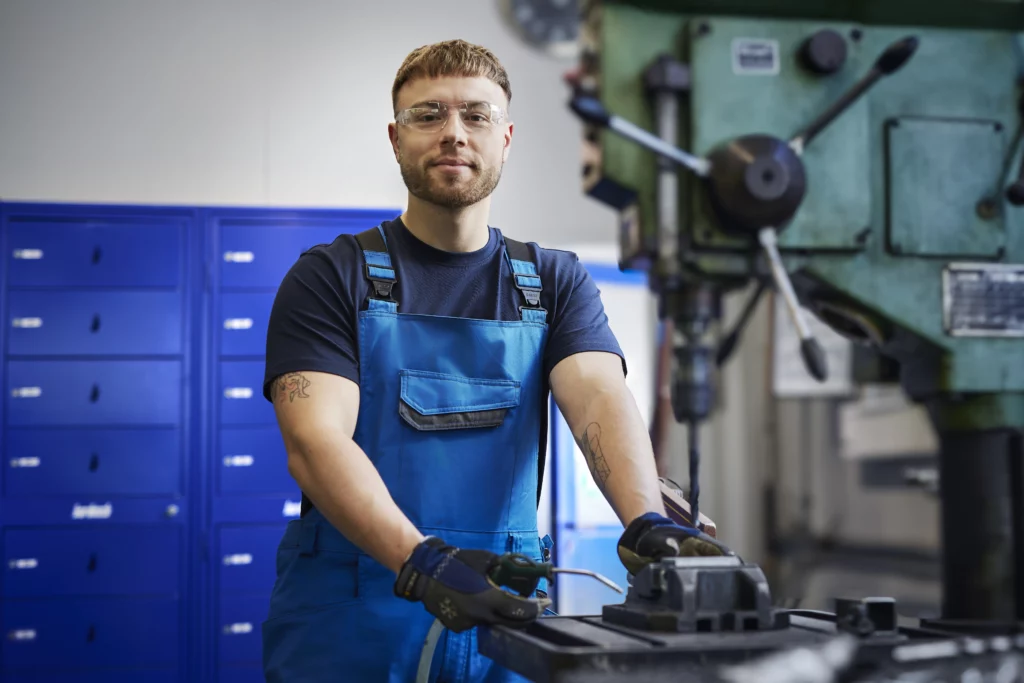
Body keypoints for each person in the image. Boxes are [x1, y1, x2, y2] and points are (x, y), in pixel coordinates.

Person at [260, 38, 729, 683]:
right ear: (395, 139)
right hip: (354, 620)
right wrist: (422, 563)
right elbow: (314, 441)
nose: (454, 134)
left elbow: (595, 393)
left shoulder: (555, 282)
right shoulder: (331, 277)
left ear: (505, 138)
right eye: (429, 115)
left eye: (475, 116)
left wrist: (644, 520)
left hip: (501, 617)